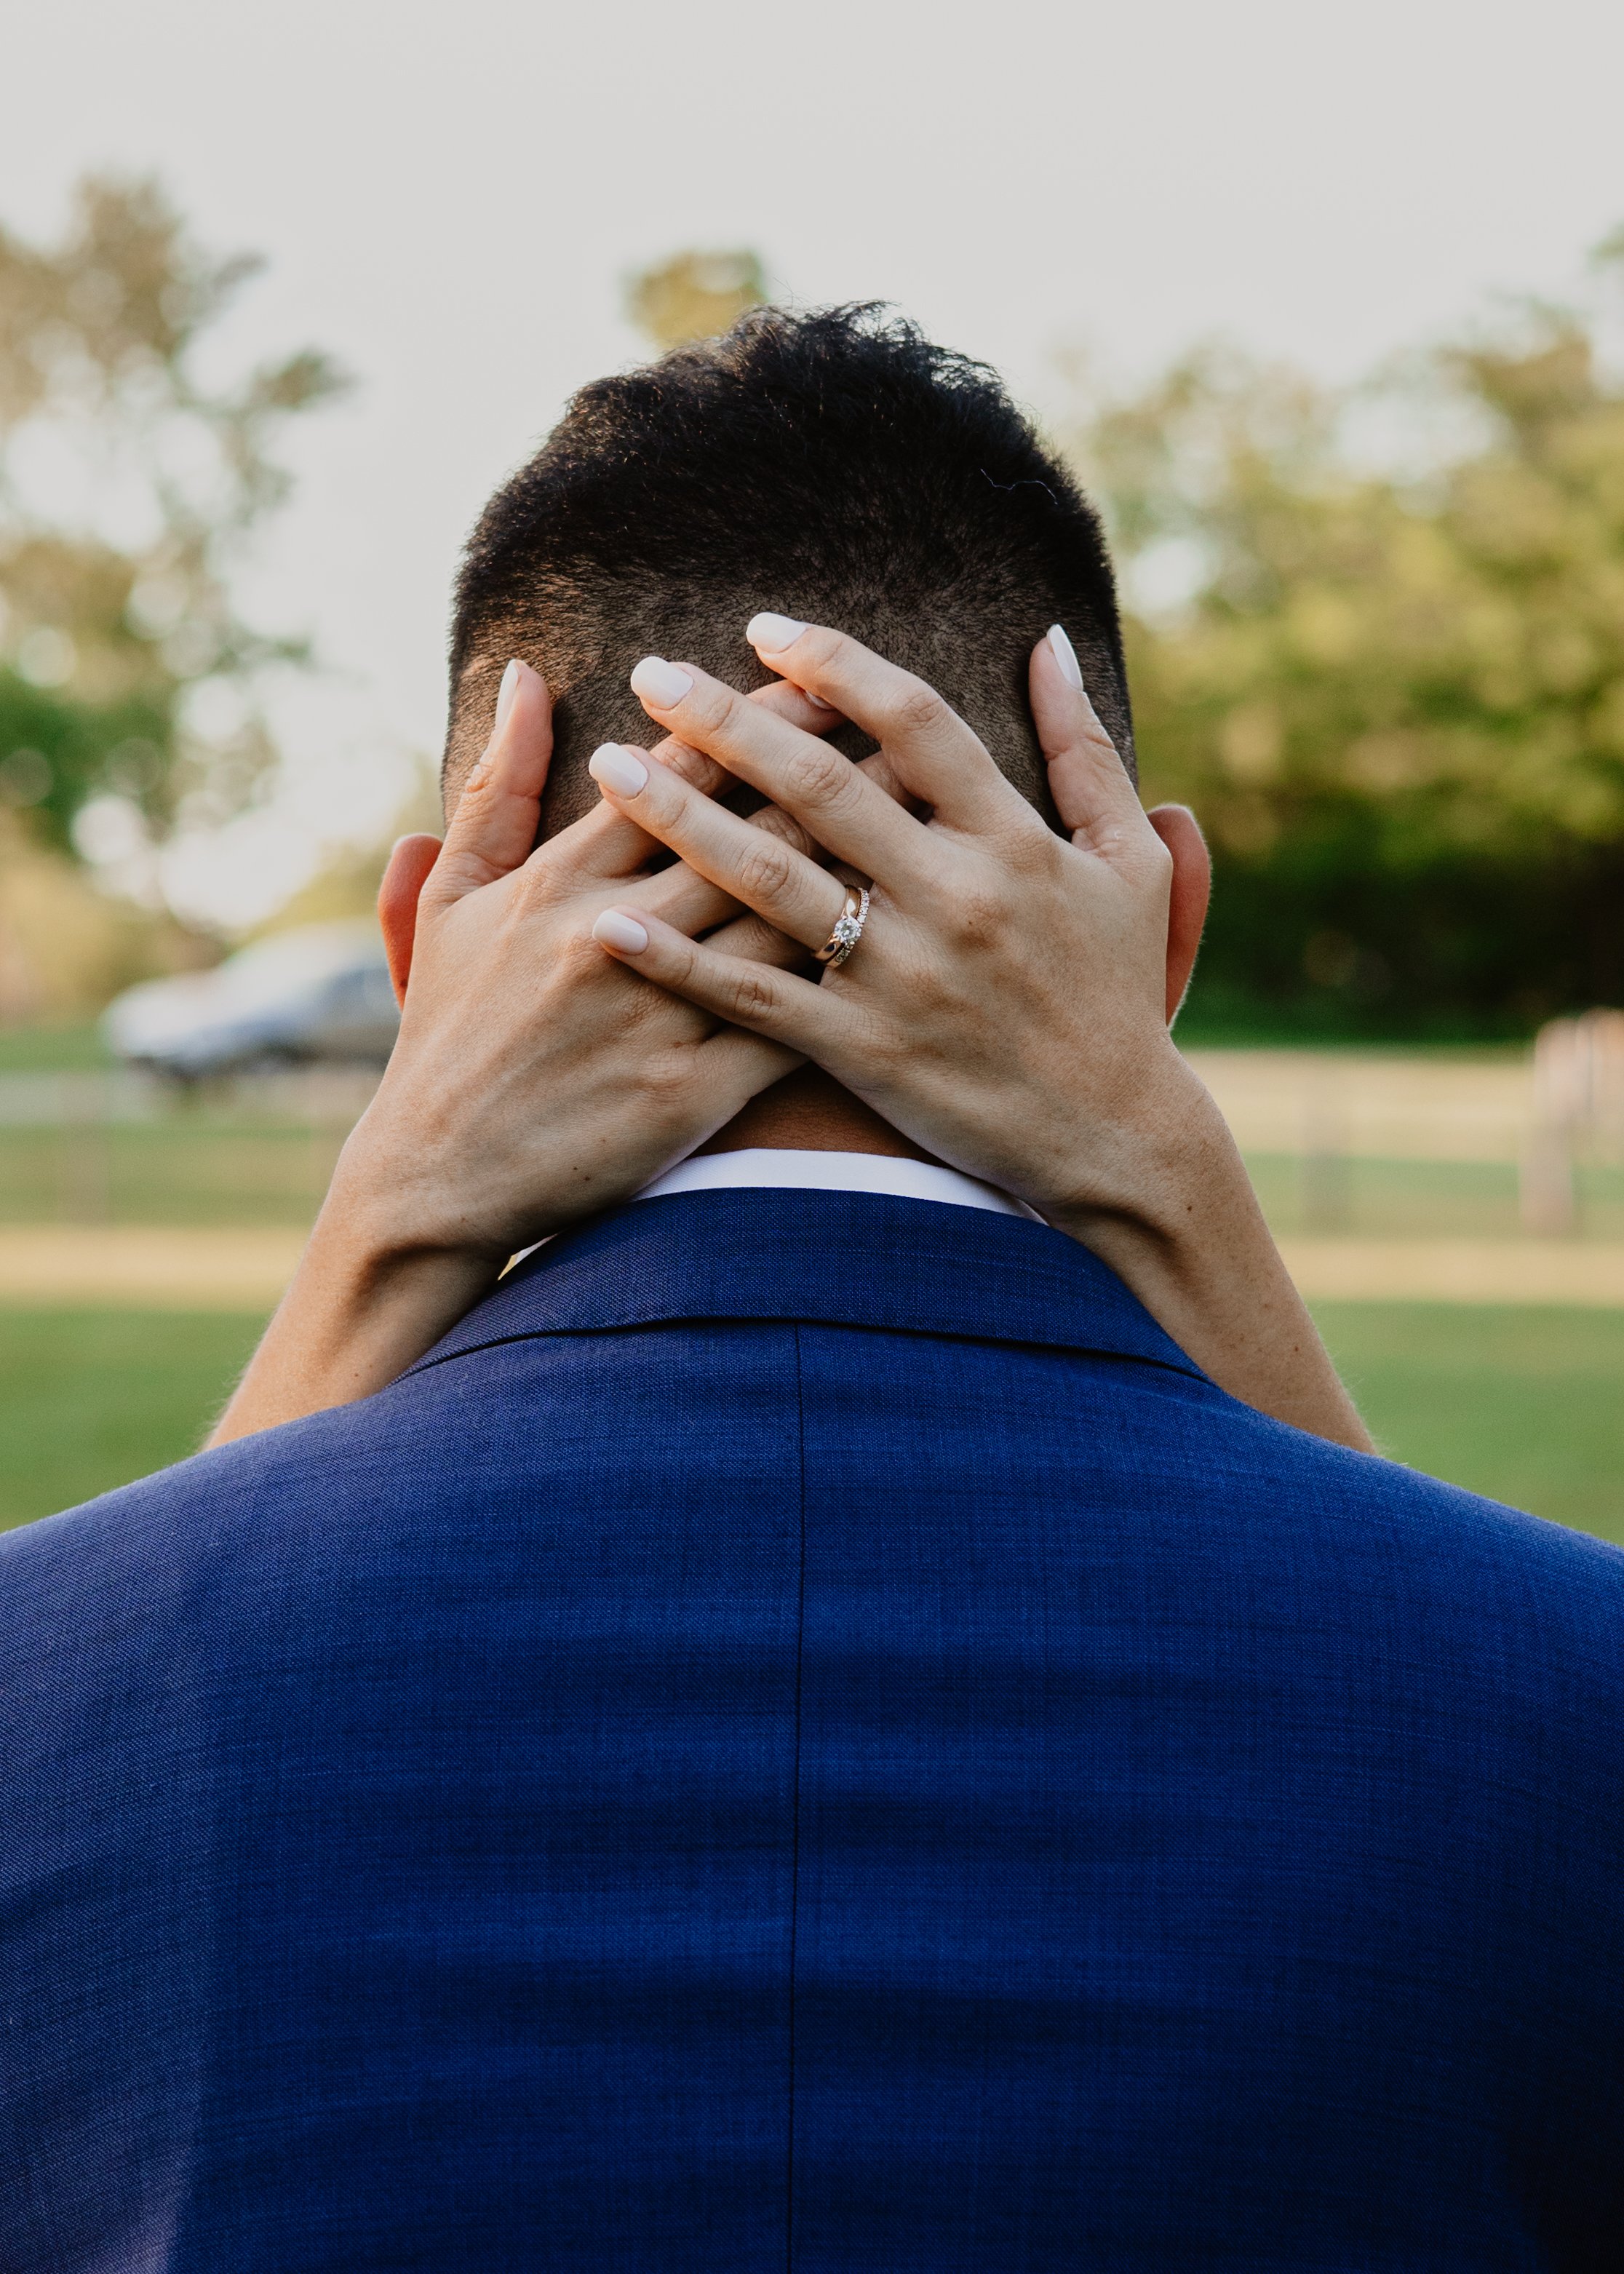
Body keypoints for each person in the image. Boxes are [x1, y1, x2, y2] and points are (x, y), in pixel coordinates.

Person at [2, 312, 1620, 2271]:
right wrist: (1167, 1171)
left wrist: (386, 1218)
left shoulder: (48, 1693)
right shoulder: (1564, 1707)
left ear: (429, 945)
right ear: (1166, 921)